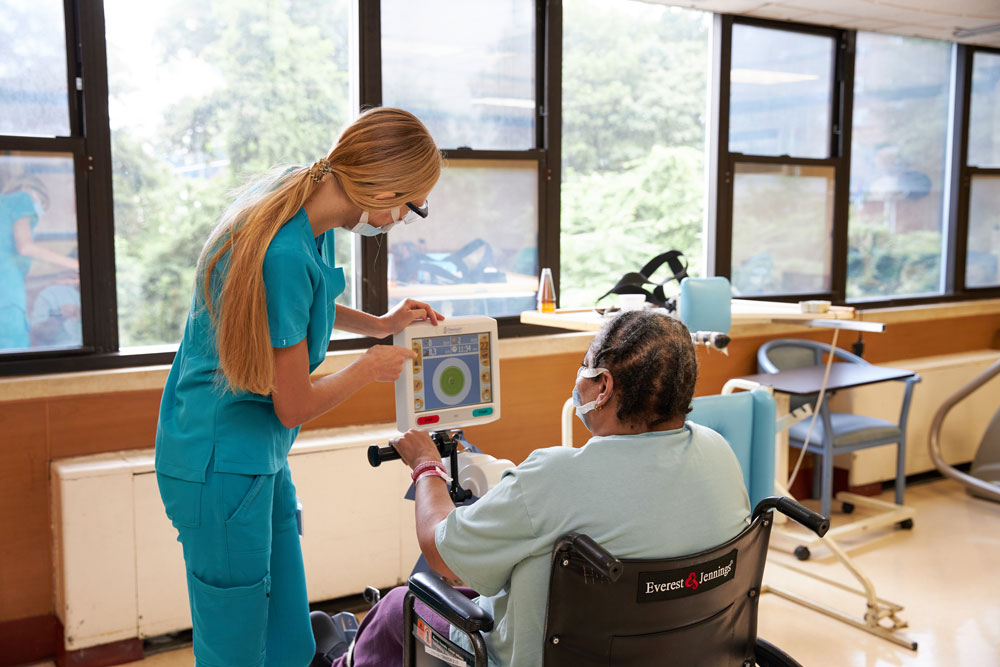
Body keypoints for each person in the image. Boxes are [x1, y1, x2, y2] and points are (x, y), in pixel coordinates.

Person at [154, 107, 444, 667]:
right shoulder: (284, 247)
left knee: (289, 632)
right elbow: (293, 405)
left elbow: (302, 308)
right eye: (413, 206)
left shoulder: (305, 204)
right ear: (385, 191)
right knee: (237, 643)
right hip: (220, 463)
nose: (404, 218)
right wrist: (367, 368)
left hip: (258, 455)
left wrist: (379, 324)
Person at [326, 310, 751, 666]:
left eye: (586, 366)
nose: (580, 377)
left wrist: (425, 466)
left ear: (603, 387)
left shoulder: (557, 475)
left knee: (397, 605)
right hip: (677, 652)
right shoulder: (720, 453)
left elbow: (442, 554)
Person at [0, 177, 79, 350]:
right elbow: (27, 247)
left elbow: (16, 283)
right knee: (14, 364)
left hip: (7, 302)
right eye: (42, 202)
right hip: (7, 309)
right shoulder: (22, 197)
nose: (39, 211)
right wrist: (77, 265)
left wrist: (54, 281)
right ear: (27, 187)